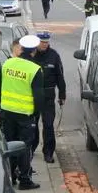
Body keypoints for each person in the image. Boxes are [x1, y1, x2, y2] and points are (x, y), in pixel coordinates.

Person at [0, 35, 44, 190]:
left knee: (10, 145)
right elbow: (39, 97)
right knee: (25, 147)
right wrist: (36, 114)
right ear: (33, 52)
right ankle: (25, 179)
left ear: (22, 49)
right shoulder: (35, 69)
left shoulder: (7, 63)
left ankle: (10, 176)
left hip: (7, 112)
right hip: (25, 115)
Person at [31, 31, 66, 163]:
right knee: (32, 124)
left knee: (48, 125)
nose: (45, 45)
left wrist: (62, 94)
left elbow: (60, 76)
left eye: (46, 42)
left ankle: (48, 152)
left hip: (48, 95)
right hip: (33, 95)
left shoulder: (54, 55)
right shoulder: (31, 55)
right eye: (42, 42)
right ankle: (32, 149)